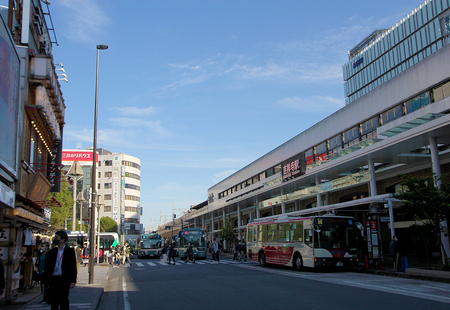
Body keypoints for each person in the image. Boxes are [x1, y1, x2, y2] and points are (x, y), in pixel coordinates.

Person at [43, 231, 77, 310]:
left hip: (64, 279)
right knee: (54, 301)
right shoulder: (52, 252)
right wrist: (45, 281)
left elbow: (73, 266)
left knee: (64, 300)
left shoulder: (70, 251)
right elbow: (47, 267)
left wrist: (73, 281)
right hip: (53, 279)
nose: (55, 239)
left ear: (62, 240)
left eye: (57, 238)